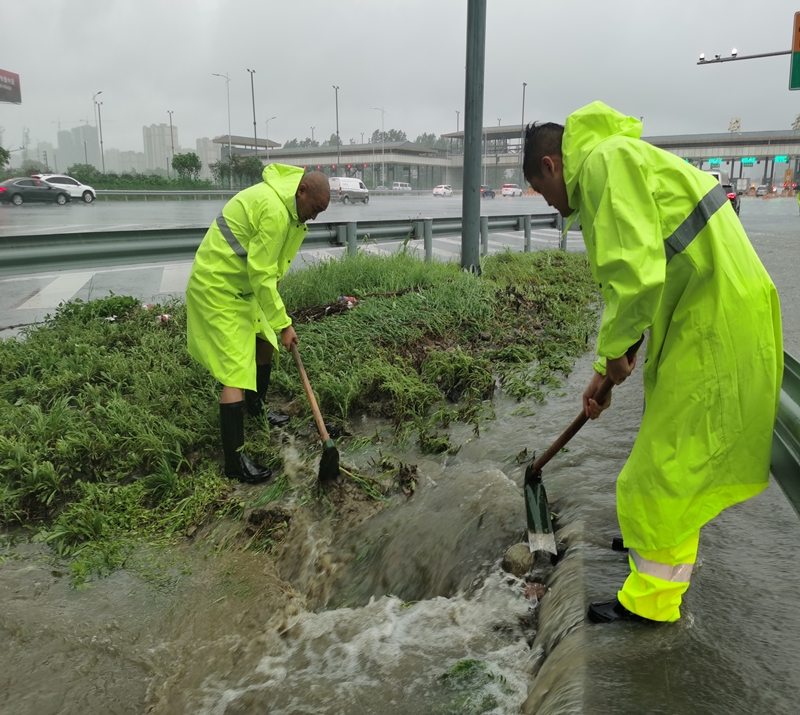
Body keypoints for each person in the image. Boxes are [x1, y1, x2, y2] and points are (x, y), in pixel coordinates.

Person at [523, 101, 783, 624]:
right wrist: (611, 364)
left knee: (659, 470)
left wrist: (613, 356)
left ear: (551, 165)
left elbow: (634, 278)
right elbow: (654, 266)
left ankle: (650, 603)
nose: (553, 207)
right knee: (674, 455)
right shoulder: (621, 156)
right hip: (709, 310)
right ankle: (653, 548)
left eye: (542, 191)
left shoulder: (601, 164)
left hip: (714, 319)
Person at [186, 165, 330, 483]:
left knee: (264, 343)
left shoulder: (290, 209)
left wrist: (274, 318)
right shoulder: (275, 211)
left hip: (244, 287)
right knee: (236, 371)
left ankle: (256, 408)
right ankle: (234, 462)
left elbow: (269, 270)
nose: (315, 217)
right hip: (218, 288)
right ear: (302, 191)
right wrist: (284, 324)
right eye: (315, 209)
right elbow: (261, 273)